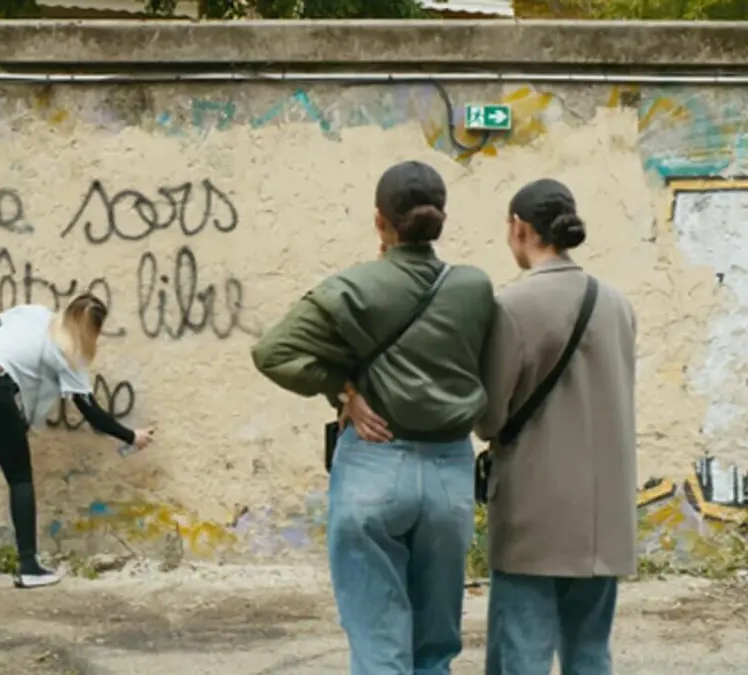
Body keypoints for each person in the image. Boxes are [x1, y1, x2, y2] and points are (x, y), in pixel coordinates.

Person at [251, 160, 495, 674]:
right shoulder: (475, 287)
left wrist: (344, 391)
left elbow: (272, 353)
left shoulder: (351, 288)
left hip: (374, 463)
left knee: (378, 648)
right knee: (435, 649)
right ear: (441, 217)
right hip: (449, 475)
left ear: (380, 220)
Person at [475, 178, 637, 675]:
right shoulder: (617, 303)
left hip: (534, 516)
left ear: (519, 228)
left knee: (521, 654)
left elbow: (490, 419)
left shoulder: (512, 306)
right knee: (590, 653)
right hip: (605, 516)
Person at [0, 293, 155, 589]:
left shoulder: (34, 313)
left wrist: (5, 361)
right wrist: (131, 436)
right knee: (20, 479)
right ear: (93, 329)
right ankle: (29, 566)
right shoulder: (70, 352)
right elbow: (90, 411)